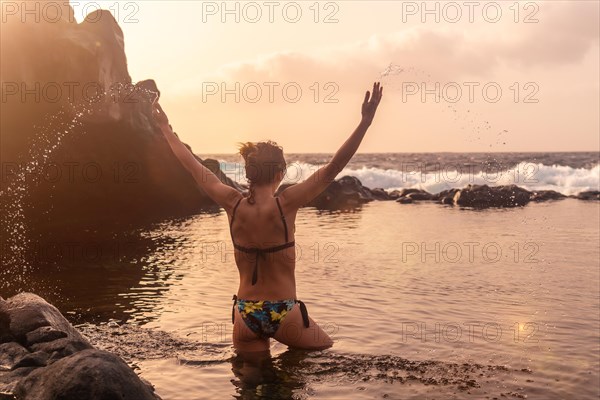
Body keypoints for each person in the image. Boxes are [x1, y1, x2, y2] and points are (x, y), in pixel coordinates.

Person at [152, 82, 383, 352]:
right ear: (279, 173)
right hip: (283, 312)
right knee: (326, 355)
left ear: (250, 173)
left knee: (251, 387)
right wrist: (365, 123)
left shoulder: (232, 203)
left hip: (244, 313)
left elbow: (193, 167)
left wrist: (165, 129)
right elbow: (333, 168)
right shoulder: (286, 204)